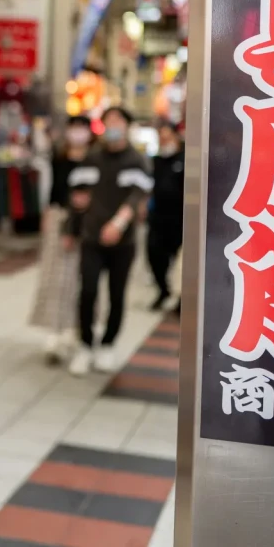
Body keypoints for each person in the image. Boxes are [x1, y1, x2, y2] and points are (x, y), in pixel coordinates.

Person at [67, 106, 153, 376]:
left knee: (117, 294)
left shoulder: (137, 160)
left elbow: (137, 196)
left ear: (127, 126)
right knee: (88, 291)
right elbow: (77, 196)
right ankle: (85, 344)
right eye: (108, 121)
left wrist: (118, 223)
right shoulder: (92, 158)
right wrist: (72, 228)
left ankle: (108, 344)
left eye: (118, 121)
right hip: (91, 238)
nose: (113, 126)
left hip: (123, 242)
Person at [29, 115, 93, 362]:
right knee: (55, 276)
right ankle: (54, 332)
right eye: (73, 127)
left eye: (82, 128)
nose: (77, 133)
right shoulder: (59, 158)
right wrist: (47, 216)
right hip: (60, 217)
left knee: (82, 278)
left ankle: (76, 329)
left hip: (88, 222)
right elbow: (53, 191)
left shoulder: (94, 160)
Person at [147, 120, 185, 310]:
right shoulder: (156, 161)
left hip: (181, 220)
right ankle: (163, 290)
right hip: (158, 219)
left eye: (167, 136)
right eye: (161, 137)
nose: (164, 141)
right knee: (154, 256)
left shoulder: (185, 159)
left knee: (182, 264)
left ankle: (181, 299)